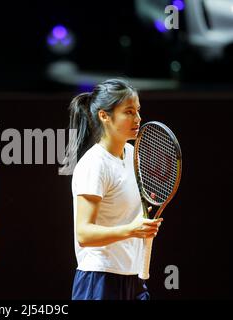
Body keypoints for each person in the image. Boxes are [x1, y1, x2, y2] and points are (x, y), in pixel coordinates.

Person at [61, 79, 163, 300]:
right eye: (128, 112)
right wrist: (132, 229)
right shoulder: (94, 164)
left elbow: (123, 210)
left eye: (137, 111)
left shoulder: (131, 153)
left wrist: (140, 221)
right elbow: (84, 234)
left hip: (133, 278)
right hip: (99, 280)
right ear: (104, 116)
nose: (137, 118)